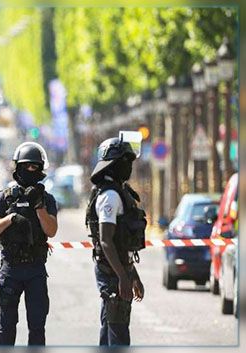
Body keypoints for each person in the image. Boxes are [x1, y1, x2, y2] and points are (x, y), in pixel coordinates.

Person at [0, 142, 58, 346]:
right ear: (18, 167)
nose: (31, 170)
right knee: (6, 325)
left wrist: (39, 208)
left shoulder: (46, 199)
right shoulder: (5, 197)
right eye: (27, 166)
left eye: (35, 167)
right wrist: (10, 219)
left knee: (37, 326)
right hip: (10, 268)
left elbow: (51, 230)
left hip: (35, 268)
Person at [85, 135, 147, 346]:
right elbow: (106, 241)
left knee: (109, 328)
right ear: (113, 164)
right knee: (119, 335)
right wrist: (123, 277)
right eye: (125, 161)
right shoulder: (110, 196)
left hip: (118, 270)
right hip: (112, 272)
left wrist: (133, 275)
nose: (128, 166)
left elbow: (123, 245)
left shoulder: (119, 192)